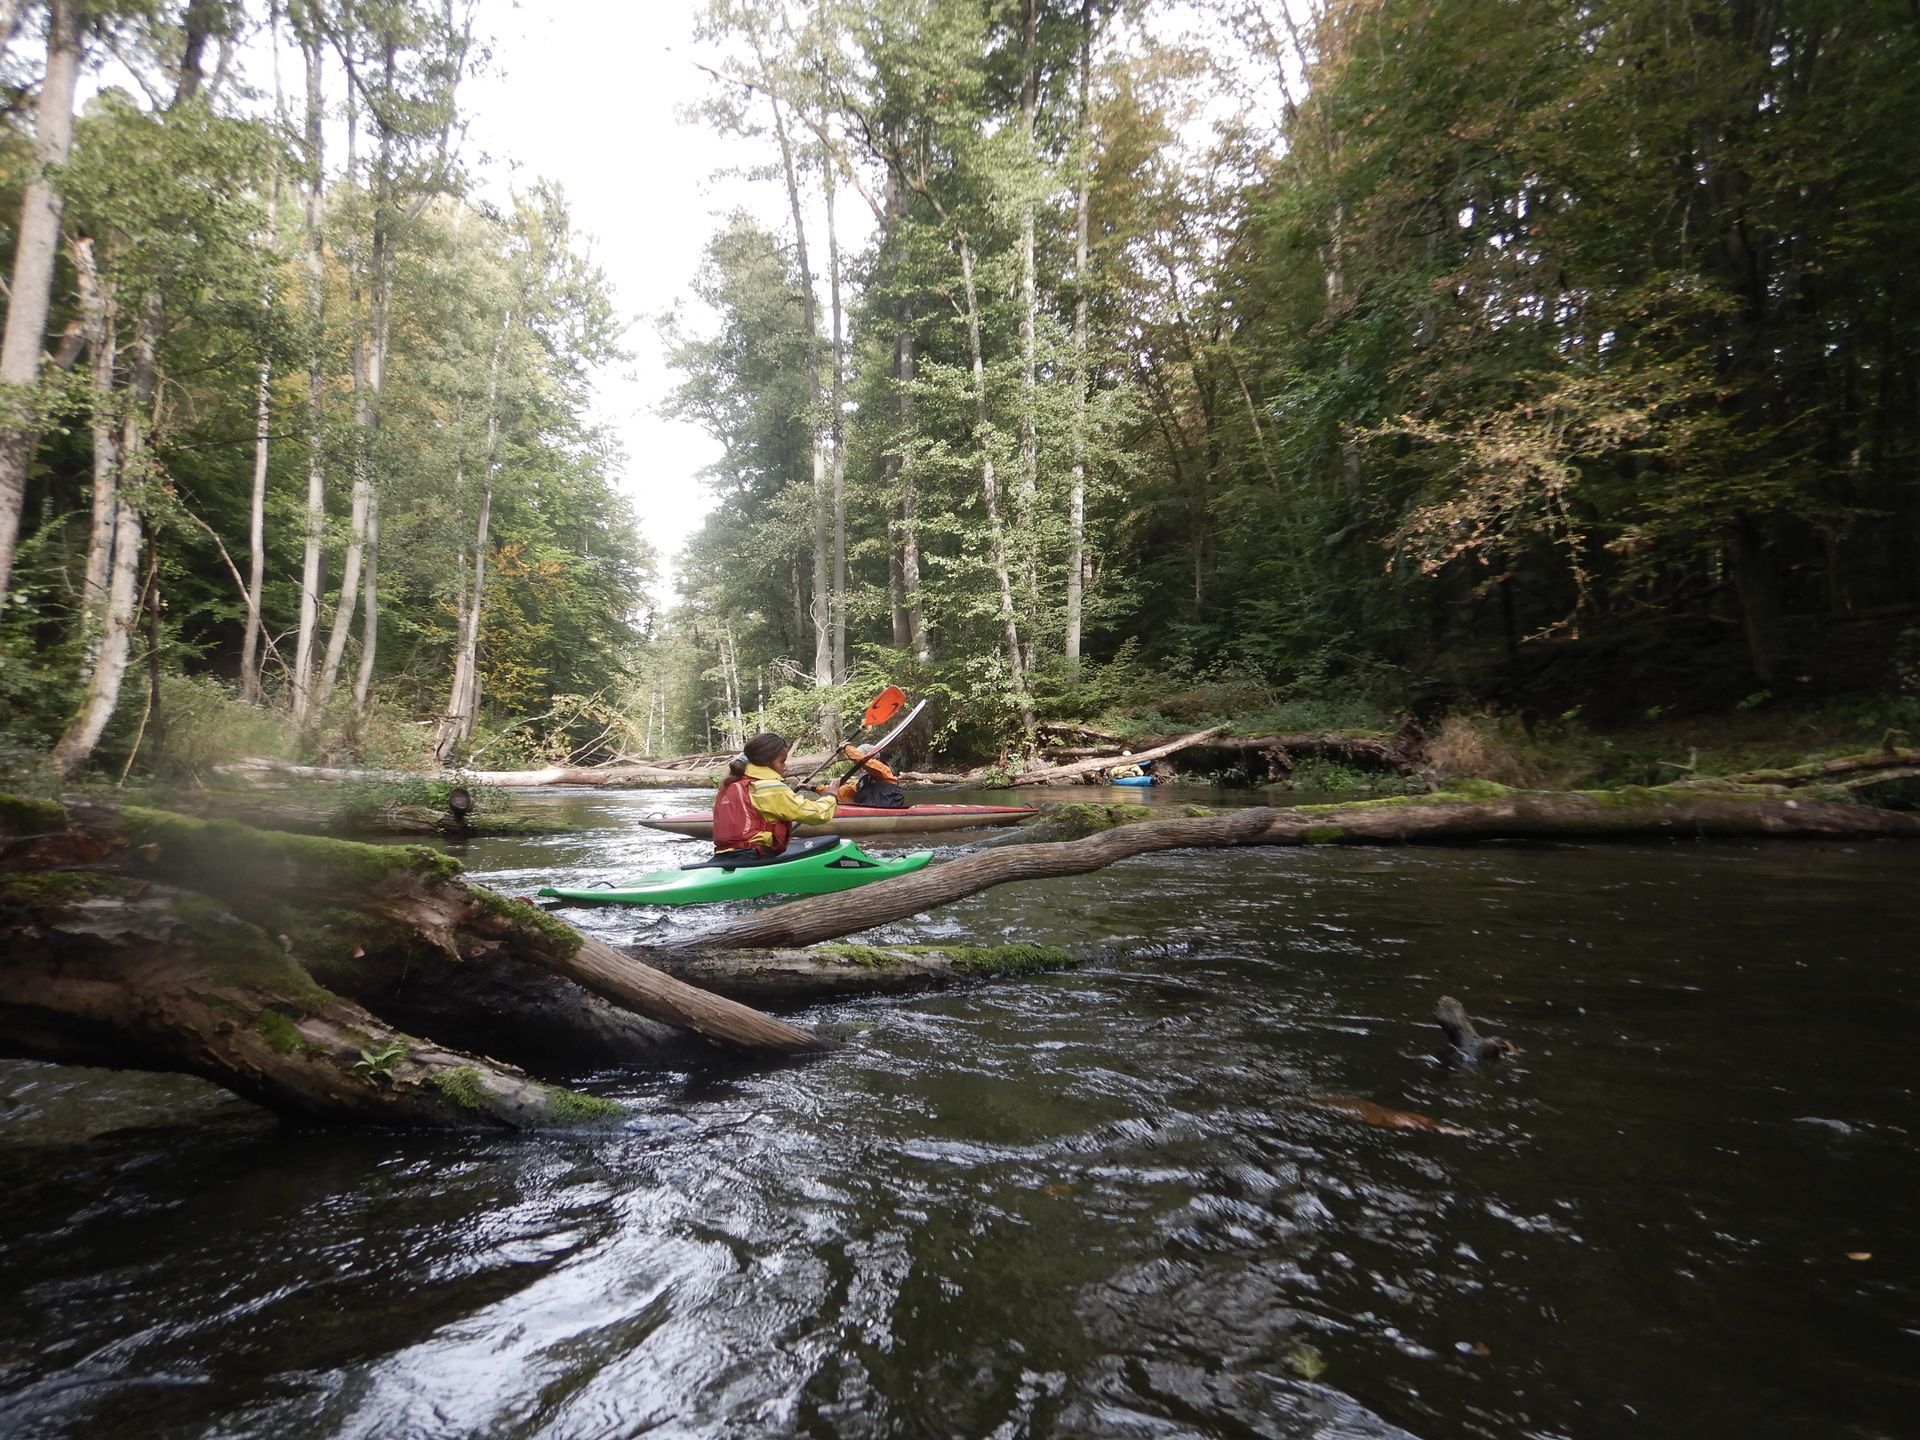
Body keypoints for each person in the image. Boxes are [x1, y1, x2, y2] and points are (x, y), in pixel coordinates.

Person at [711, 732, 838, 857]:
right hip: (754, 856)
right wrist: (831, 796)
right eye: (782, 761)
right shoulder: (770, 787)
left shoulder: (729, 785)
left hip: (723, 855)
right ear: (767, 761)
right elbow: (817, 815)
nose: (785, 767)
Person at [827, 742, 908, 809]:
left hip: (885, 812)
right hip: (870, 811)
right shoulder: (863, 782)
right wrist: (822, 789)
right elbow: (844, 792)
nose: (856, 764)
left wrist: (847, 747)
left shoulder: (883, 771)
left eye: (857, 762)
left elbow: (863, 760)